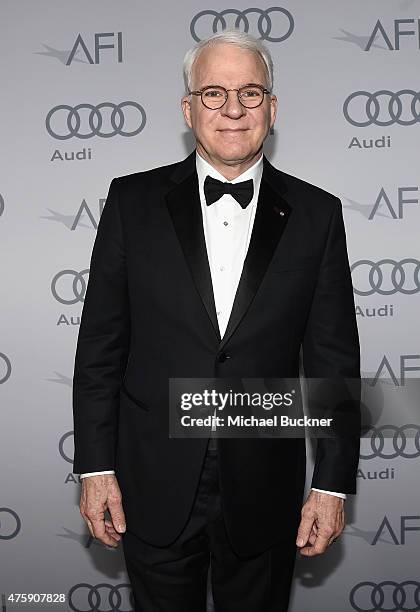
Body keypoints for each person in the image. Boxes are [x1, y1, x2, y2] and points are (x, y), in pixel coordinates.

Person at [72, 29, 360, 612]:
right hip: (150, 482)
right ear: (188, 108)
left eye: (251, 93)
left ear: (272, 110)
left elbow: (333, 360)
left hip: (265, 486)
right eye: (213, 93)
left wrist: (331, 483)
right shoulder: (131, 203)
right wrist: (96, 468)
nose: (233, 108)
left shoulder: (318, 214)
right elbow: (101, 347)